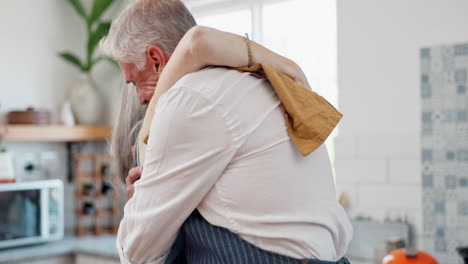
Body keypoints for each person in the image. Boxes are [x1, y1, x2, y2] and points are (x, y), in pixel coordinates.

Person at [100, 1, 352, 264]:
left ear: (156, 60)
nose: (140, 99)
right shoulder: (258, 84)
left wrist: (143, 196)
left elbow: (138, 252)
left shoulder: (190, 98)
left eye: (134, 82)